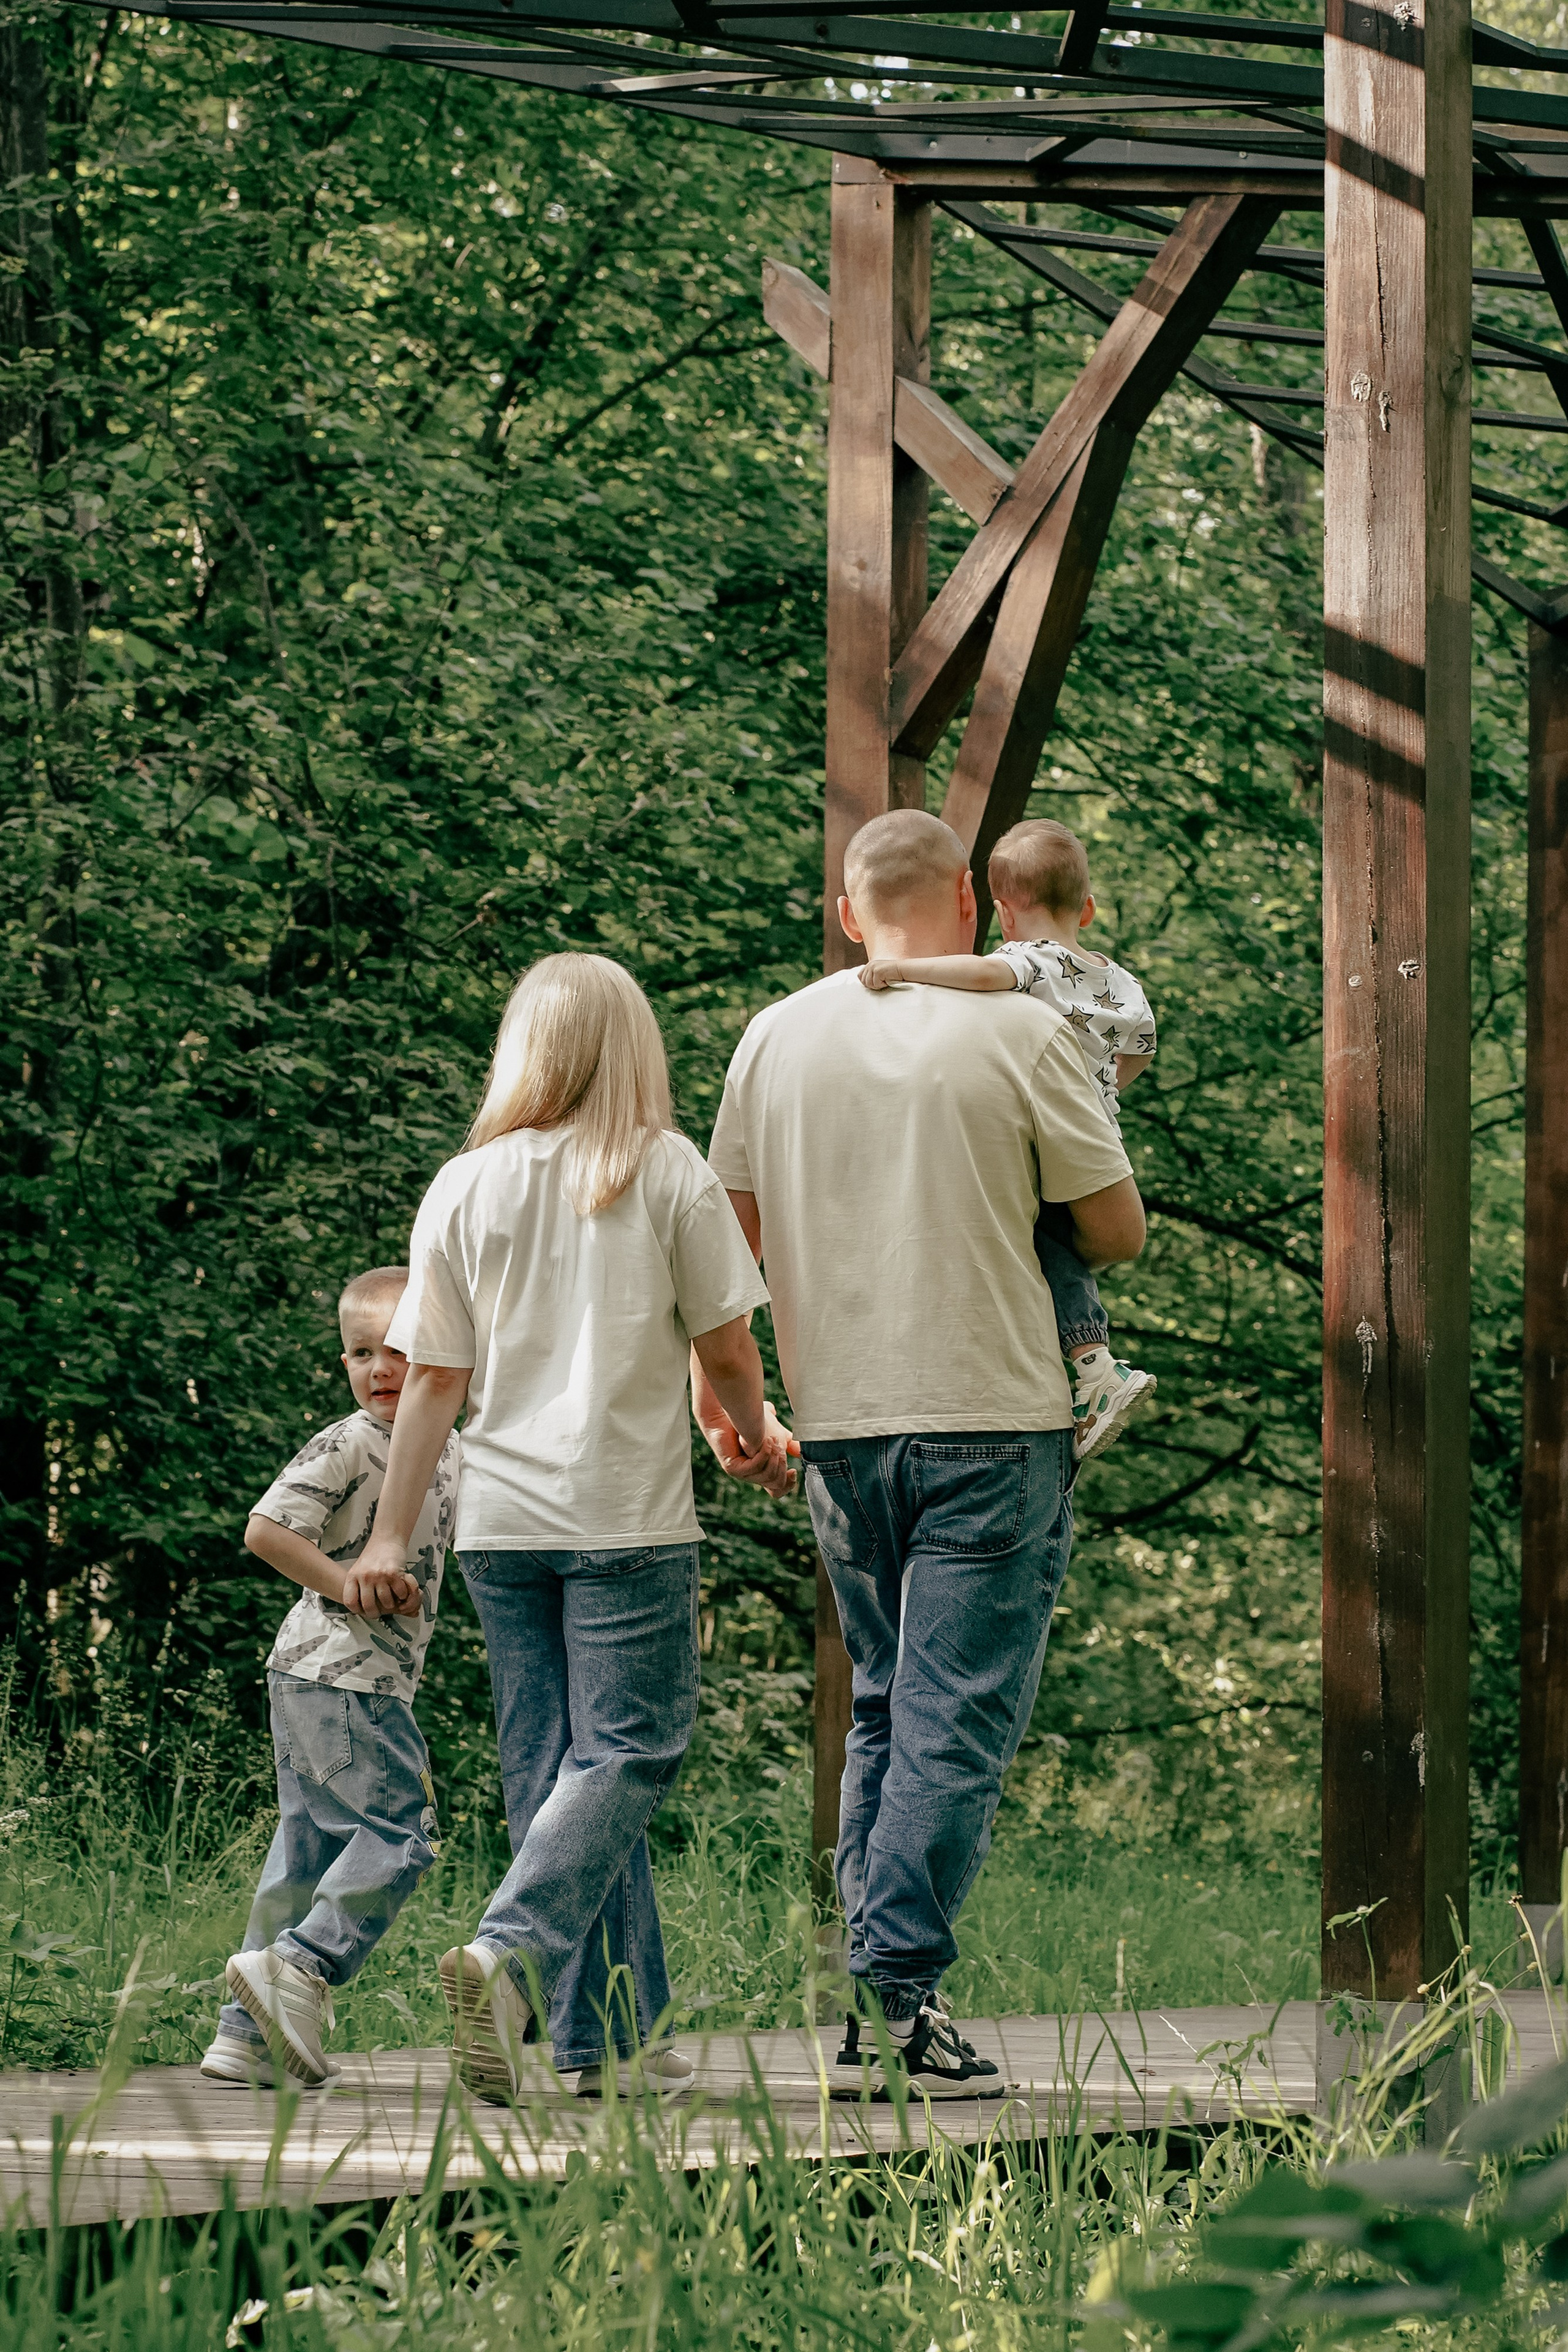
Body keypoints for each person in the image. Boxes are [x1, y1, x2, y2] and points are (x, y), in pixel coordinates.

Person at [698, 809, 1145, 2098]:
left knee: (891, 1711)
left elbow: (728, 1255)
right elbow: (1110, 1233)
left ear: (849, 913)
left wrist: (723, 1404)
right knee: (954, 1723)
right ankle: (885, 2000)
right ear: (965, 896)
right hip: (993, 1415)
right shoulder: (1025, 1029)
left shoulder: (772, 1037)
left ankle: (887, 2007)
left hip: (838, 1427)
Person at [353, 951, 794, 2106]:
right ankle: (507, 1950)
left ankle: (613, 2040)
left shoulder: (463, 1185)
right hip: (627, 1518)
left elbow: (432, 1379)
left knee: (560, 1777)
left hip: (502, 1525)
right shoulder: (668, 1170)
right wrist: (751, 1435)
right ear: (634, 1048)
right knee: (630, 1755)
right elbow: (730, 1346)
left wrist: (392, 1536)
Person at [203, 1266, 456, 2088]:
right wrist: (344, 1580)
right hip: (341, 1676)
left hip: (327, 1678)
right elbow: (267, 1529)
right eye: (359, 1352)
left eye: (400, 1351)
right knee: (401, 1831)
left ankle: (243, 2037)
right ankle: (304, 1964)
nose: (379, 1369)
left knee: (307, 1848)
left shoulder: (450, 1444)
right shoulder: (352, 1440)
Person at [859, 816, 1158, 1460]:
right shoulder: (1119, 980)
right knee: (1058, 1242)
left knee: (1039, 1238)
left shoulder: (1024, 961)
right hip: (1095, 1133)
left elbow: (981, 978)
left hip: (1041, 1135)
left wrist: (901, 968)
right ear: (1088, 907)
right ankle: (1085, 1361)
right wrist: (1102, 1091)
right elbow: (1140, 1047)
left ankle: (1093, 1366)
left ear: (1002, 912)